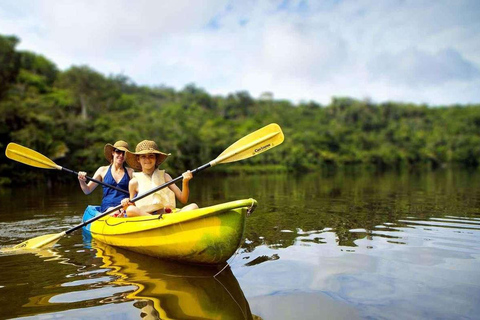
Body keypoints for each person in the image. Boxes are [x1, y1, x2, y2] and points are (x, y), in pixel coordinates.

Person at [120, 140, 198, 217]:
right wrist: (126, 203)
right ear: (138, 159)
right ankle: (155, 219)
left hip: (165, 215)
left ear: (156, 158)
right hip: (146, 217)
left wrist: (185, 182)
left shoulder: (165, 176)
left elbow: (183, 199)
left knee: (194, 206)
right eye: (143, 156)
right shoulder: (133, 182)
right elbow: (132, 205)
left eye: (151, 156)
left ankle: (161, 220)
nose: (147, 160)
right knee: (130, 209)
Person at [78, 140, 134, 212]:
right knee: (114, 211)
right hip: (108, 207)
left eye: (124, 153)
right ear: (113, 153)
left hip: (125, 207)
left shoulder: (130, 172)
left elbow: (137, 192)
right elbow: (87, 190)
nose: (121, 155)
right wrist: (81, 181)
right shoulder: (102, 170)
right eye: (118, 152)